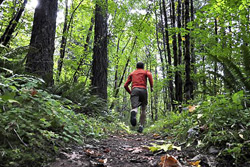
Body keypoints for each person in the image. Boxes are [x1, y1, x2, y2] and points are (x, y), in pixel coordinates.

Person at [124, 62, 153, 133]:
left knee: (134, 107)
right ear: (143, 66)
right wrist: (151, 86)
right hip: (143, 90)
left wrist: (131, 93)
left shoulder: (132, 73)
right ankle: (141, 126)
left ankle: (133, 113)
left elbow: (125, 85)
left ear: (136, 67)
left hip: (134, 90)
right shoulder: (146, 72)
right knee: (143, 109)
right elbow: (149, 75)